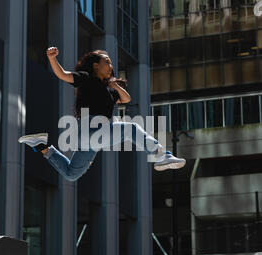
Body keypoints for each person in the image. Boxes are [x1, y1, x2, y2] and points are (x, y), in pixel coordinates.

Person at [18, 48, 186, 181]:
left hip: (92, 139)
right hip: (90, 130)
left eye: (111, 63)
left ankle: (41, 146)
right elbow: (63, 75)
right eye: (107, 62)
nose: (111, 66)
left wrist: (116, 86)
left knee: (71, 174)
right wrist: (52, 58)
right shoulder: (86, 78)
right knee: (131, 129)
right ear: (95, 65)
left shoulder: (108, 91)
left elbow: (125, 99)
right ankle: (161, 154)